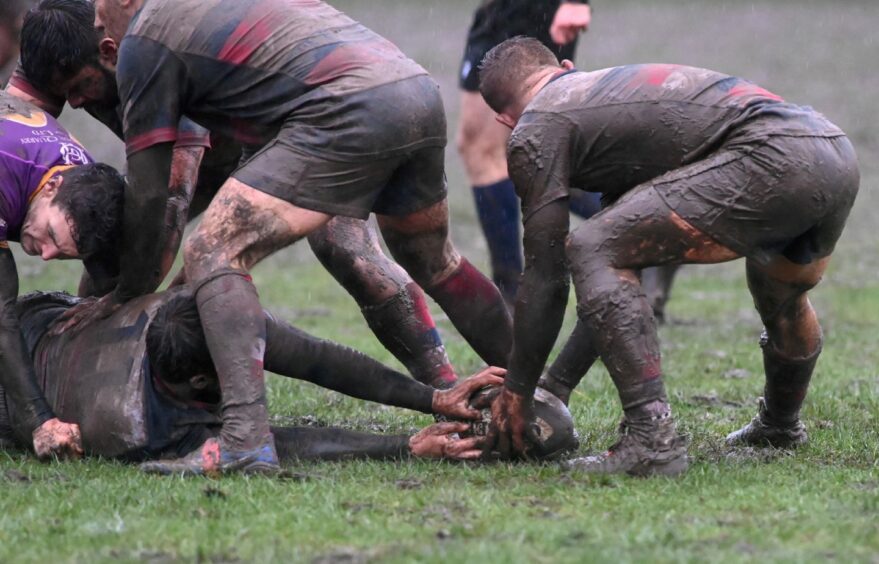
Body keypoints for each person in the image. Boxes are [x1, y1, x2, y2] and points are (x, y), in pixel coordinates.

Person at [85, 0, 514, 474]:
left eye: (101, 9)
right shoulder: (207, 15)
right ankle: (533, 397)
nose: (98, 20)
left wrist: (126, 296)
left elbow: (149, 194)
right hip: (411, 89)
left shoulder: (146, 37)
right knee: (437, 262)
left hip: (341, 109)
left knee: (212, 250)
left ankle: (244, 440)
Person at [10, 0, 459, 389]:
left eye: (79, 87)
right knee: (103, 227)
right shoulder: (54, 42)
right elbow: (12, 115)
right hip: (203, 156)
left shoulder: (147, 49)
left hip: (286, 134)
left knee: (345, 249)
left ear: (106, 49)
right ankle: (88, 377)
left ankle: (445, 386)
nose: (75, 103)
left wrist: (130, 299)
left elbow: (169, 199)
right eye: (63, 92)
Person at [477, 38, 859, 475]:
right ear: (566, 66)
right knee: (781, 295)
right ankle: (779, 426)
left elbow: (545, 276)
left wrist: (518, 391)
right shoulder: (605, 102)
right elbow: (618, 278)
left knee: (590, 245)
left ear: (504, 119)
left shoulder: (536, 128)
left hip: (774, 156)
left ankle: (652, 442)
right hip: (831, 150)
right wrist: (556, 386)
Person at [0, 289, 576, 472]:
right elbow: (275, 440)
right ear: (205, 379)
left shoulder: (194, 313)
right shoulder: (139, 430)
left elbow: (316, 359)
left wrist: (432, 396)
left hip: (41, 315)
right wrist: (402, 445)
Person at [0, 90, 125, 460]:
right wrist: (42, 421)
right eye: (52, 236)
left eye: (63, 254)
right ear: (52, 187)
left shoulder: (84, 183)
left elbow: (109, 271)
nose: (47, 254)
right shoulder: (7, 172)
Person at [457, 0, 594, 302]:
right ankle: (642, 220)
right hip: (500, 12)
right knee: (518, 151)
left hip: (527, 10)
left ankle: (509, 296)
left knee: (489, 151)